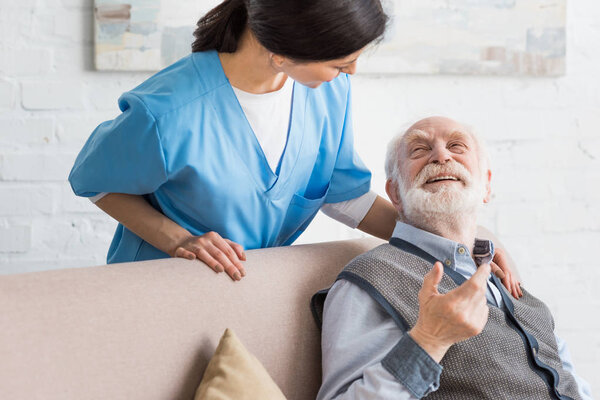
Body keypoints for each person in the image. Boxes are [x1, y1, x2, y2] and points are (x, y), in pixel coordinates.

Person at [69, 0, 516, 287]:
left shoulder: (326, 91)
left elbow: (344, 198)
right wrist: (179, 239)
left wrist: (468, 245)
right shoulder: (166, 114)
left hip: (251, 289)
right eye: (342, 62)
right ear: (279, 53)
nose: (353, 71)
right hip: (160, 287)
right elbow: (94, 181)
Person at [312, 116, 593, 399]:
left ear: (486, 185)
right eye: (419, 150)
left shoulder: (504, 278)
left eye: (457, 146)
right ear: (395, 193)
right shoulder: (368, 281)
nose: (441, 155)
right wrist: (429, 340)